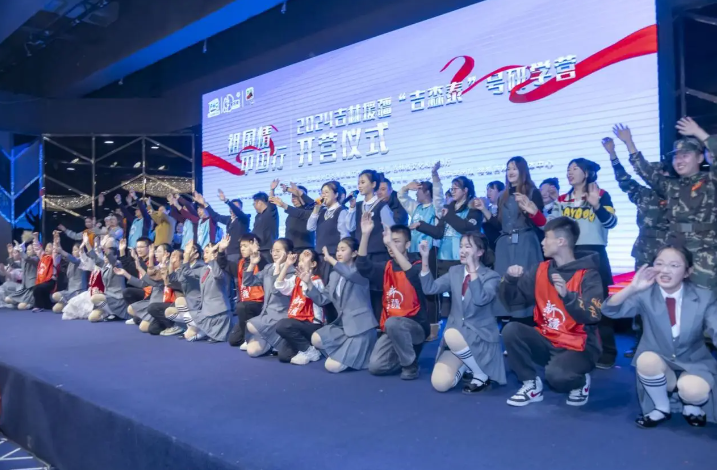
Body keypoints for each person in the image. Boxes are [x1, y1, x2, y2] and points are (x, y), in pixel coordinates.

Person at [602, 245, 717, 428]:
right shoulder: (645, 294)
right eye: (659, 264)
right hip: (658, 357)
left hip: (693, 361)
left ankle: (691, 405)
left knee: (694, 391)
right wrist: (632, 287)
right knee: (646, 360)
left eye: (674, 265)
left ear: (688, 272)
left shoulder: (704, 296)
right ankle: (661, 408)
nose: (664, 270)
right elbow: (610, 311)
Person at [500, 217, 604, 407]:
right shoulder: (540, 269)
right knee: (511, 330)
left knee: (557, 376)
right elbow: (514, 301)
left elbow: (593, 315)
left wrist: (568, 296)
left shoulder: (589, 274)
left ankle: (580, 382)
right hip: (548, 338)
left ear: (561, 241)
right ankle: (530, 384)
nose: (542, 242)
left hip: (580, 346)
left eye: (546, 238)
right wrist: (510, 280)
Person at [616, 119, 717, 291]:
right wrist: (629, 143)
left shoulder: (710, 181)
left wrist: (698, 132)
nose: (679, 160)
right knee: (672, 295)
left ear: (700, 158)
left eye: (685, 155)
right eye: (676, 156)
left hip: (704, 250)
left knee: (703, 296)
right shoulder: (671, 186)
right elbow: (645, 171)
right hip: (675, 250)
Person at [549, 157, 618, 369]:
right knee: (567, 301)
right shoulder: (563, 199)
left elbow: (611, 222)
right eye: (568, 169)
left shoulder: (601, 194)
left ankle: (608, 351)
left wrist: (597, 205)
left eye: (575, 169)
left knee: (599, 304)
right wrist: (537, 212)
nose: (569, 173)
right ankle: (571, 346)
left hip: (594, 254)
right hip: (569, 255)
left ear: (586, 173)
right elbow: (551, 226)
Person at [421, 233, 505, 392]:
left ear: (480, 252)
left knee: (451, 333)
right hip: (456, 340)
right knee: (440, 384)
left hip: (479, 337)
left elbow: (480, 299)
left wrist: (472, 269)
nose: (462, 250)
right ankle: (468, 365)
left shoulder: (491, 276)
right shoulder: (455, 271)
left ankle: (480, 374)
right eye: (461, 246)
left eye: (468, 247)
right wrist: (425, 259)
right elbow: (430, 288)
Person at [357, 218, 430, 380]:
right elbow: (362, 266)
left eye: (396, 241)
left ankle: (410, 365)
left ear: (408, 244)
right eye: (389, 242)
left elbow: (412, 275)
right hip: (391, 328)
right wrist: (365, 234)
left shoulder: (418, 264)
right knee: (376, 367)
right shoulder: (386, 267)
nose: (391, 245)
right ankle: (408, 354)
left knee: (393, 322)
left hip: (415, 327)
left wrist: (390, 244)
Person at [476, 156, 545, 321]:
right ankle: (506, 320)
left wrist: (529, 209)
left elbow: (540, 222)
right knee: (505, 281)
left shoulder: (532, 192)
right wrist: (484, 210)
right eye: (508, 169)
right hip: (505, 245)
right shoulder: (503, 195)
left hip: (525, 242)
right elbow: (500, 224)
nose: (510, 172)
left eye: (514, 168)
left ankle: (527, 319)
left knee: (525, 280)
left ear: (522, 170)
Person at [414, 167, 481, 320]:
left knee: (463, 294)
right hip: (444, 258)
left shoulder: (473, 208)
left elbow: (466, 228)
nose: (453, 191)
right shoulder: (448, 208)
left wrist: (449, 215)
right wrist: (421, 225)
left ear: (465, 190)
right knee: (447, 295)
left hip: (462, 258)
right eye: (451, 188)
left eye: (456, 188)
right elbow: (439, 232)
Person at [308, 240, 379, 373]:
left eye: (343, 250)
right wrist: (308, 283)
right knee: (316, 339)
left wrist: (330, 259)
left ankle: (359, 355)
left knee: (331, 366)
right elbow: (322, 299)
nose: (338, 253)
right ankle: (346, 353)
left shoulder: (361, 271)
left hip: (361, 328)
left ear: (354, 253)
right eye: (337, 250)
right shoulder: (334, 274)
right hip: (343, 326)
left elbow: (350, 274)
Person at [347, 170, 396, 318]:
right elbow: (350, 227)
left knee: (378, 292)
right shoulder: (358, 205)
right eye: (358, 183)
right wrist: (351, 208)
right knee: (362, 292)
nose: (359, 186)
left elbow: (390, 230)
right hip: (362, 256)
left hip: (378, 256)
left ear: (374, 184)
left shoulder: (382, 206)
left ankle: (380, 323)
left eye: (363, 182)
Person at [398, 178, 441, 338]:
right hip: (414, 253)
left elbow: (438, 194)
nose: (416, 194)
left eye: (418, 191)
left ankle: (434, 326)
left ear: (427, 192)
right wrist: (406, 187)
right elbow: (401, 196)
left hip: (430, 252)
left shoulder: (436, 207)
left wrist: (435, 176)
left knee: (430, 289)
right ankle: (419, 324)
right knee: (415, 289)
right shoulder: (415, 207)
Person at [168, 242, 232, 342]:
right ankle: (203, 331)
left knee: (187, 316)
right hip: (206, 311)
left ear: (215, 254)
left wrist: (214, 257)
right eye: (205, 252)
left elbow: (217, 275)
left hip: (219, 314)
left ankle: (205, 331)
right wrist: (187, 254)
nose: (205, 255)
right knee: (178, 316)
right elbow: (186, 272)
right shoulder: (204, 269)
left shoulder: (221, 270)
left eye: (208, 252)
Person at [242, 238, 295, 357]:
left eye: (278, 251)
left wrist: (278, 266)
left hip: (281, 316)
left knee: (250, 325)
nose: (274, 254)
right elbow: (248, 282)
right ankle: (271, 342)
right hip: (266, 315)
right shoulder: (268, 268)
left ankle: (277, 339)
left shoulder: (292, 272)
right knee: (252, 351)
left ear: (289, 253)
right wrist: (252, 264)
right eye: (273, 251)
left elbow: (276, 289)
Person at [275, 249, 326, 364]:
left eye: (305, 259)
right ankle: (308, 348)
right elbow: (279, 285)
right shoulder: (296, 280)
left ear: (313, 264)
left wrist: (306, 280)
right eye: (300, 260)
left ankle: (309, 351)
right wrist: (287, 265)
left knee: (282, 325)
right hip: (297, 324)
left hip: (312, 324)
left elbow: (308, 293)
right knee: (284, 356)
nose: (301, 262)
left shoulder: (316, 281)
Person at [219, 234, 267, 349]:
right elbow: (224, 264)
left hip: (259, 304)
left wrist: (256, 253)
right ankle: (250, 335)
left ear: (255, 245)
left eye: (245, 246)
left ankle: (252, 337)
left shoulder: (262, 261)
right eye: (241, 246)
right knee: (233, 340)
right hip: (246, 305)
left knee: (241, 306)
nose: (242, 249)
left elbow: (263, 267)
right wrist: (221, 250)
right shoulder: (241, 263)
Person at [307, 181, 349, 285]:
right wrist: (316, 209)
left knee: (330, 285)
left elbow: (344, 235)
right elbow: (310, 227)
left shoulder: (341, 211)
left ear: (336, 194)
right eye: (322, 193)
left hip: (333, 256)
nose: (323, 195)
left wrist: (343, 255)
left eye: (326, 192)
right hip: (319, 256)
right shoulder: (322, 211)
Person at [85, 235, 130, 322]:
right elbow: (95, 258)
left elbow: (111, 259)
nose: (105, 257)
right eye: (104, 255)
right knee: (92, 318)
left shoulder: (117, 264)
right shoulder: (105, 265)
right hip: (108, 297)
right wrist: (87, 244)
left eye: (107, 255)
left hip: (117, 299)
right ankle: (109, 313)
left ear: (114, 256)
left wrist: (103, 246)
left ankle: (113, 314)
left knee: (94, 298)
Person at [200, 190, 250, 262]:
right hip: (228, 253)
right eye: (231, 207)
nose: (232, 209)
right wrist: (205, 204)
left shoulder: (244, 219)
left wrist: (226, 201)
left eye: (235, 207)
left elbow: (238, 212)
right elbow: (216, 216)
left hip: (238, 253)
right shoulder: (229, 219)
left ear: (240, 209)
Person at [268, 181, 315, 252]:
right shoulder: (291, 212)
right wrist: (272, 190)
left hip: (305, 249)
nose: (293, 198)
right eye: (292, 196)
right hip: (291, 249)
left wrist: (290, 189)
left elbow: (303, 208)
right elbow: (272, 203)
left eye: (295, 195)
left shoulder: (309, 210)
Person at [51, 234, 88, 313]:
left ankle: (70, 305)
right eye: (73, 250)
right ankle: (68, 304)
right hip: (70, 291)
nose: (73, 252)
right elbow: (61, 254)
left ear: (81, 251)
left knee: (56, 296)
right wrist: (57, 242)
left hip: (79, 291)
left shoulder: (83, 261)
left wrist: (61, 250)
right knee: (55, 309)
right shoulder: (71, 261)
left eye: (75, 250)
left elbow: (72, 258)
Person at [4, 240, 38, 309]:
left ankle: (31, 304)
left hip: (32, 288)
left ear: (34, 251)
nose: (27, 251)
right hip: (24, 287)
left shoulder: (36, 259)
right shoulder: (24, 260)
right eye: (27, 250)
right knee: (7, 299)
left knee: (21, 307)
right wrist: (10, 254)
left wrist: (21, 251)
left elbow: (27, 258)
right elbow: (13, 265)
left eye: (29, 250)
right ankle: (21, 302)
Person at [252, 191, 280, 264]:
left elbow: (272, 201)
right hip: (258, 250)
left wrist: (272, 189)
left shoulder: (270, 211)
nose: (253, 206)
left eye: (254, 203)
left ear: (259, 202)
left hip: (268, 249)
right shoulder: (257, 216)